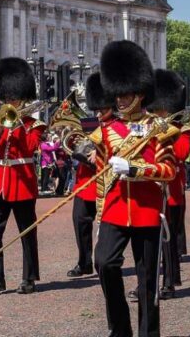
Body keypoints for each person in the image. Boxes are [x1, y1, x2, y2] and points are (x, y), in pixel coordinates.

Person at [93, 40, 178, 337]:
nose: (119, 100)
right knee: (104, 263)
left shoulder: (159, 129)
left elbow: (169, 171)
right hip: (116, 210)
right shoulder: (105, 131)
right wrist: (99, 212)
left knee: (147, 281)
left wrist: (137, 169)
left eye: (125, 93)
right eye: (117, 93)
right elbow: (102, 175)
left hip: (145, 211)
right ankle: (120, 329)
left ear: (140, 93)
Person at [0, 57, 45, 296]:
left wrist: (16, 126)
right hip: (0, 184)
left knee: (27, 231)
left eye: (13, 97)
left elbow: (28, 148)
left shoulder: (34, 124)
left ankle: (29, 277)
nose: (10, 101)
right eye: (7, 97)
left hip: (23, 181)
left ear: (23, 96)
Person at [67, 72, 115, 278]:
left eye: (102, 109)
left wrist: (101, 151)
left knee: (106, 227)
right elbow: (75, 145)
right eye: (96, 108)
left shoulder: (116, 126)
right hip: (84, 183)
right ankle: (83, 261)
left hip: (105, 182)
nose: (98, 113)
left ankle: (106, 260)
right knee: (80, 223)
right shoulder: (88, 123)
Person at [148, 69, 190, 299]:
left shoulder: (182, 130)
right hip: (148, 189)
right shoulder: (147, 127)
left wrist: (165, 134)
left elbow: (182, 153)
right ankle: (151, 280)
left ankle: (169, 281)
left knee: (168, 239)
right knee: (149, 240)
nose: (157, 113)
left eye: (160, 109)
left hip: (171, 190)